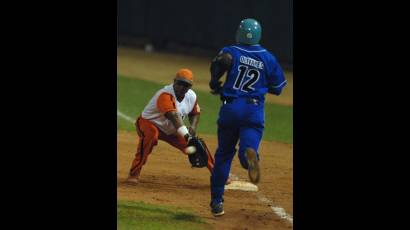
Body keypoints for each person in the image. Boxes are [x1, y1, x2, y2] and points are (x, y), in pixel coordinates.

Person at [208, 18, 287, 216]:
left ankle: (217, 202)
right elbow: (277, 88)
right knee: (248, 148)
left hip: (231, 108)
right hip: (253, 111)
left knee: (224, 154)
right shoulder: (268, 57)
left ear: (239, 33)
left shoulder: (231, 50)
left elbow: (220, 63)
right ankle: (248, 157)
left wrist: (215, 81)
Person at [126, 68, 215, 184]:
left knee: (198, 147)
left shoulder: (192, 96)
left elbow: (195, 113)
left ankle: (218, 173)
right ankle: (134, 173)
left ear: (190, 86)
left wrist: (192, 128)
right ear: (174, 81)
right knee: (151, 136)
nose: (182, 87)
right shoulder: (165, 95)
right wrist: (187, 136)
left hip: (173, 130)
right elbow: (173, 116)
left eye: (186, 85)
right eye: (180, 83)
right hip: (149, 123)